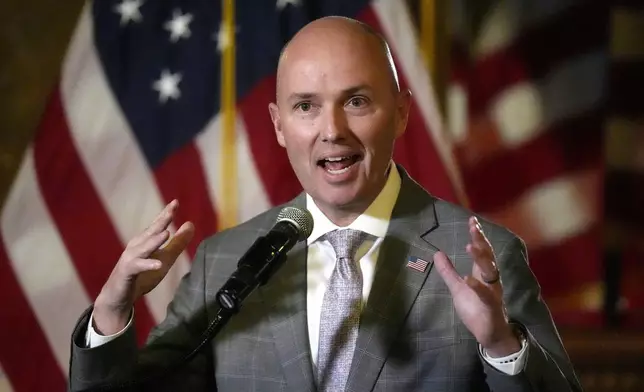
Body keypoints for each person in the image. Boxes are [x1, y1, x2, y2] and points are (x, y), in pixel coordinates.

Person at [69, 16, 583, 392]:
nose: (332, 131)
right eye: (306, 107)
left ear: (402, 114)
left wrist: (502, 348)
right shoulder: (224, 263)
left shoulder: (485, 255)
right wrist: (112, 315)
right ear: (277, 124)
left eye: (356, 101)